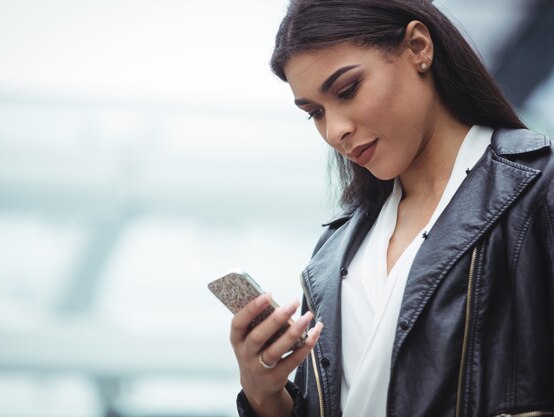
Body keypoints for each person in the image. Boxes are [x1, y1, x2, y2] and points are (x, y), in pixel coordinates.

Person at [228, 0, 554, 416]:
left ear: (418, 47)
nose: (335, 130)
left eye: (347, 90)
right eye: (315, 113)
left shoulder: (537, 188)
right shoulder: (332, 258)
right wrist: (264, 393)